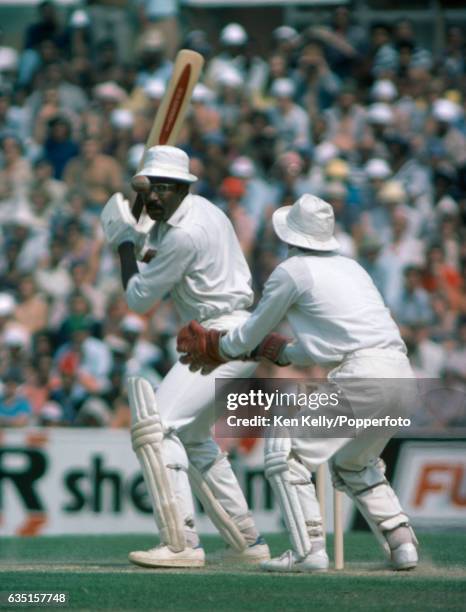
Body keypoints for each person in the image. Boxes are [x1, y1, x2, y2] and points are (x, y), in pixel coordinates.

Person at [177, 194, 419, 572]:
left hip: (362, 376)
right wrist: (283, 352)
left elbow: (244, 338)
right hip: (402, 376)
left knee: (285, 450)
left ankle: (308, 552)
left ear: (289, 234)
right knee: (356, 464)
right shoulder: (352, 268)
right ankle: (402, 543)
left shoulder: (291, 271)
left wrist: (217, 345)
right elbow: (332, 344)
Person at [100, 145, 269, 568]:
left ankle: (180, 543)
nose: (154, 197)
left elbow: (139, 299)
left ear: (181, 188)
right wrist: (140, 222)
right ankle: (246, 540)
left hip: (220, 337)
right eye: (149, 188)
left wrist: (123, 242)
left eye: (163, 189)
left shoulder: (184, 234)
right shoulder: (202, 211)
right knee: (193, 439)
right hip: (233, 334)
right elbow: (156, 249)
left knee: (155, 426)